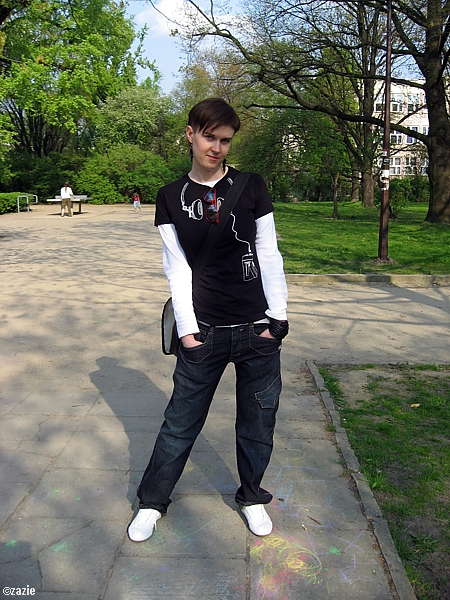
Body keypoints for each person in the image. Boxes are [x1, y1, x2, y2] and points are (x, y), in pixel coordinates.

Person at [128, 98, 288, 542]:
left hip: (257, 330)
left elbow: (269, 253)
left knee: (258, 423)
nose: (217, 148)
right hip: (205, 333)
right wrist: (187, 331)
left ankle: (252, 497)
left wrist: (277, 319)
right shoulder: (169, 197)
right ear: (190, 134)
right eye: (210, 137)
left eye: (226, 141)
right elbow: (176, 268)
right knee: (179, 424)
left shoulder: (251, 185)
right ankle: (152, 502)